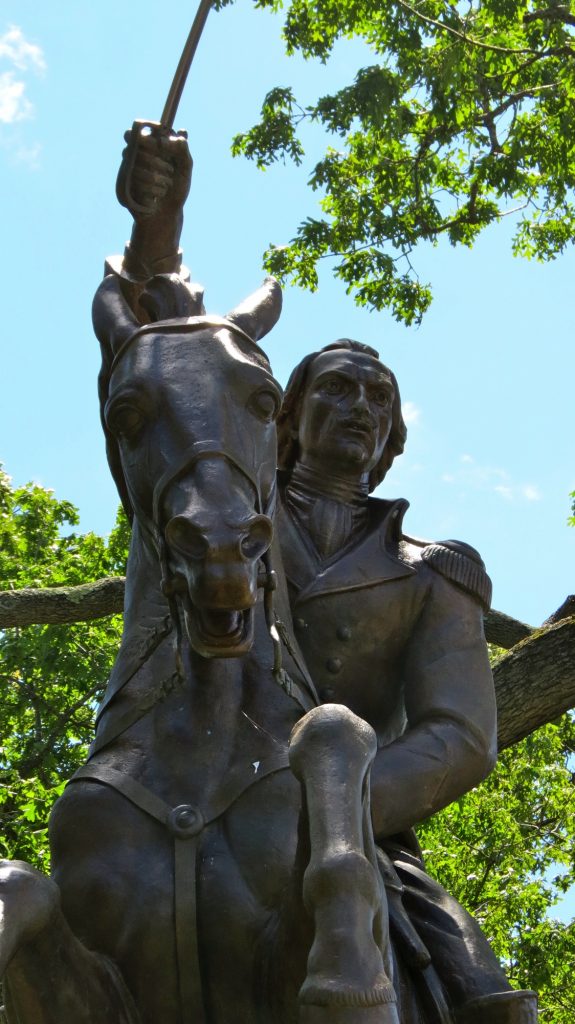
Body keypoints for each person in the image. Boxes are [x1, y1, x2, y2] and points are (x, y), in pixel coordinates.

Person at [275, 340, 537, 1024]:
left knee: (480, 992)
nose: (359, 406)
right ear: (289, 413)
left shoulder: (433, 572)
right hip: (201, 786)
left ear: (391, 433)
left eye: (379, 398)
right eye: (336, 388)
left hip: (351, 811)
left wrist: (336, 803)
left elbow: (461, 735)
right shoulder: (218, 525)